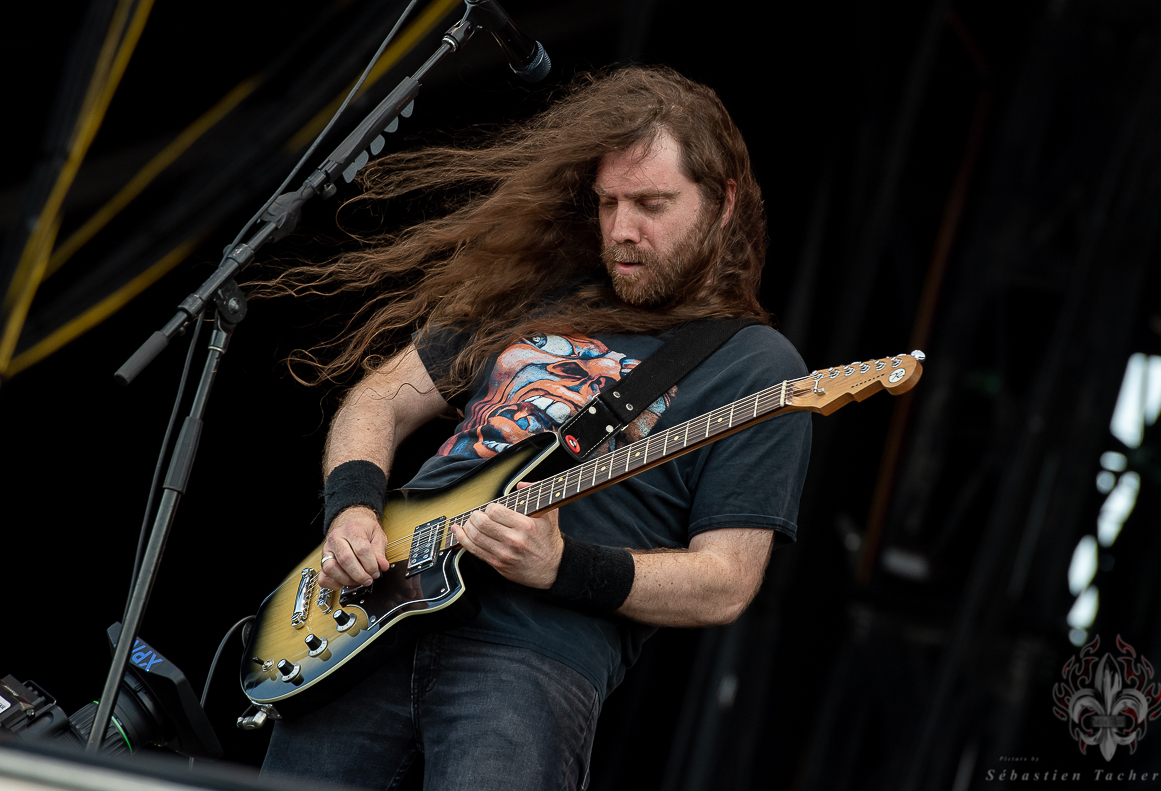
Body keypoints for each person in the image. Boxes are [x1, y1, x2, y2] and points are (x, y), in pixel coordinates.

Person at [259, 65, 811, 791]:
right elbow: (380, 397)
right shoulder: (540, 295)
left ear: (722, 202)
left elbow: (725, 582)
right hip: (369, 619)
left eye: (652, 204)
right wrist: (353, 509)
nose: (622, 230)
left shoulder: (756, 365)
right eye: (608, 203)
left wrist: (563, 565)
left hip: (529, 658)